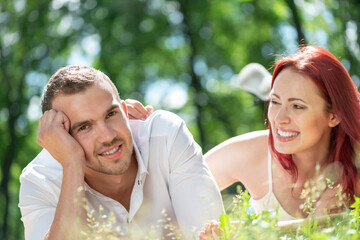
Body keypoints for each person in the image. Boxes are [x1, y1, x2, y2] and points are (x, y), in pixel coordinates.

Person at [127, 45, 360, 223]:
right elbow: (162, 196)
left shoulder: (354, 166)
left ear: (334, 115)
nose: (279, 119)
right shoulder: (252, 153)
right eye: (275, 102)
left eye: (297, 106)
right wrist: (126, 129)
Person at [18, 65, 224, 240]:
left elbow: (208, 232)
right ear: (62, 138)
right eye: (84, 127)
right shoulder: (39, 181)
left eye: (111, 114)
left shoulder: (165, 136)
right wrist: (72, 164)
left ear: (126, 112)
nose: (107, 136)